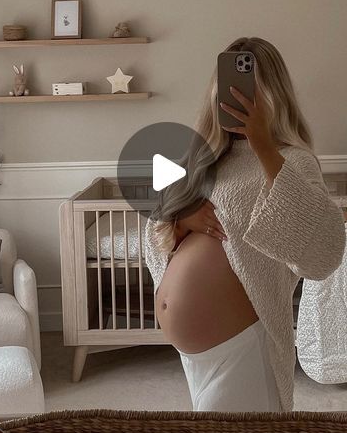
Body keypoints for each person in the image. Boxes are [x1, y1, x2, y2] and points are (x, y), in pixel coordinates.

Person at [144, 37, 346, 413]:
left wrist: (263, 145)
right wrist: (181, 219)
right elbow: (157, 234)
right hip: (195, 354)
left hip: (243, 347)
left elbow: (323, 251)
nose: (238, 96)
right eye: (228, 88)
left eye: (250, 87)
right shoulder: (203, 160)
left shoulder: (292, 161)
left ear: (273, 94)